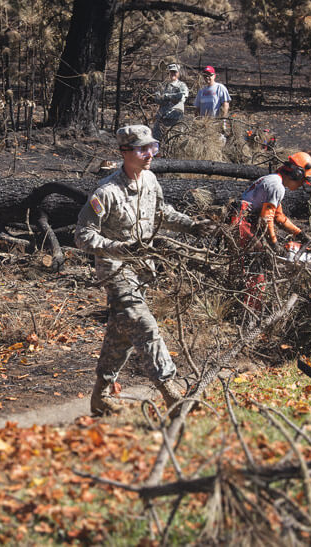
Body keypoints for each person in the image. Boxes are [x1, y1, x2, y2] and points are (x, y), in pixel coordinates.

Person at [75, 125, 213, 416]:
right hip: (116, 272)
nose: (150, 154)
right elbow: (83, 236)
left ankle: (100, 398)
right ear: (125, 152)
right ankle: (172, 394)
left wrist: (192, 225)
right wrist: (120, 248)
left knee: (122, 332)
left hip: (143, 273)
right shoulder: (107, 192)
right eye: (142, 149)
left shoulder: (150, 181)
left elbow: (163, 213)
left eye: (153, 147)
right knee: (143, 325)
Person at [230, 152, 311, 311]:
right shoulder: (277, 186)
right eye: (302, 182)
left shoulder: (274, 181)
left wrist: (300, 234)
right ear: (297, 175)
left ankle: (240, 300)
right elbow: (266, 218)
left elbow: (278, 216)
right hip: (242, 221)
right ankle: (251, 310)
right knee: (256, 264)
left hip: (242, 220)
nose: (300, 186)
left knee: (249, 263)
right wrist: (274, 242)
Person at [152, 63, 190, 146]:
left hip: (174, 118)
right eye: (171, 72)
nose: (173, 74)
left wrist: (166, 96)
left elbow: (182, 97)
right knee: (156, 139)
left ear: (178, 73)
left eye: (175, 72)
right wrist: (165, 98)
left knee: (173, 141)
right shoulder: (163, 86)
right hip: (162, 117)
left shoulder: (181, 85)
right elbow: (157, 98)